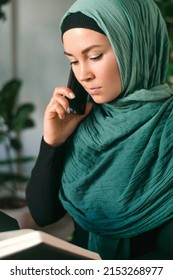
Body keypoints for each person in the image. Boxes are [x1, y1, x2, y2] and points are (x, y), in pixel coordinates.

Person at [26, 0, 173, 260]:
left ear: (135, 48)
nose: (83, 74)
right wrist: (52, 142)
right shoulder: (83, 122)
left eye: (94, 57)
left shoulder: (167, 128)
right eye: (73, 61)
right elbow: (43, 215)